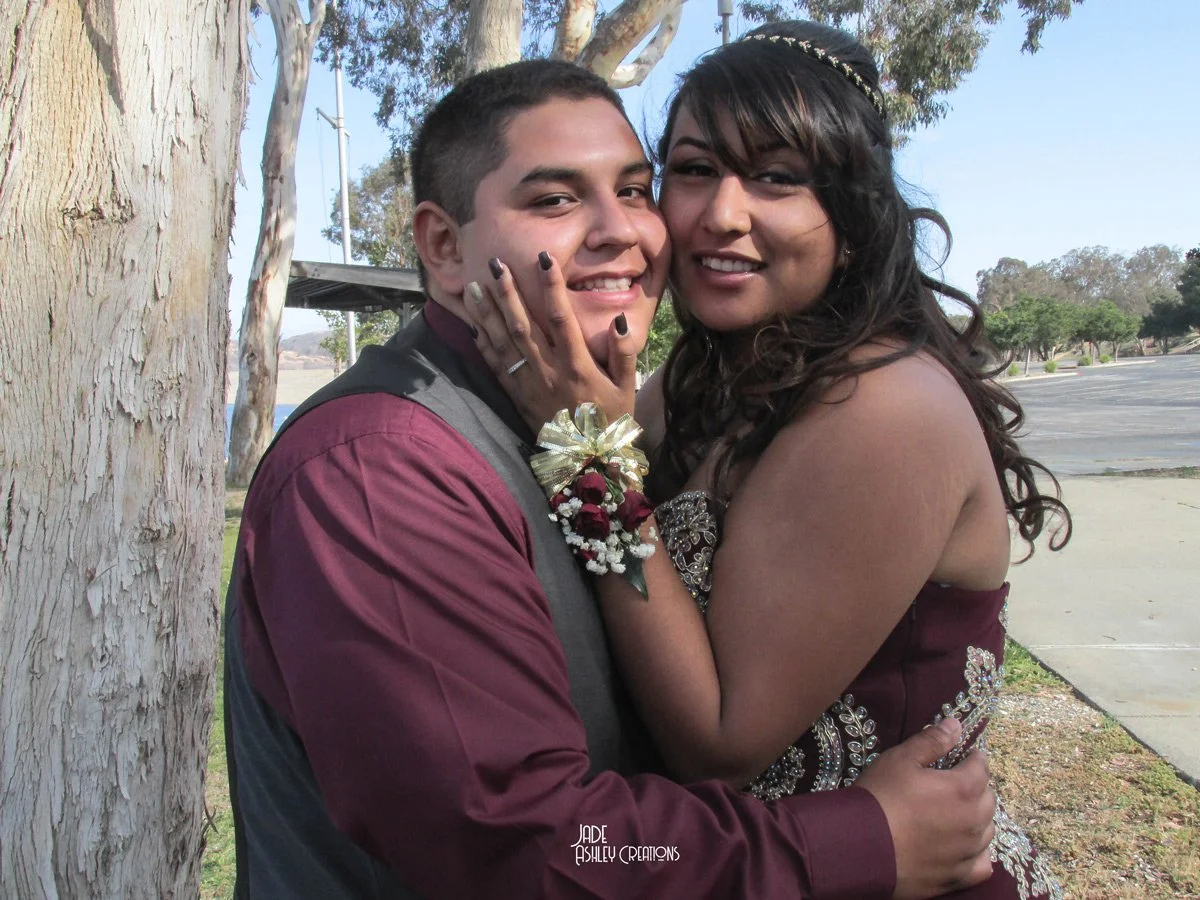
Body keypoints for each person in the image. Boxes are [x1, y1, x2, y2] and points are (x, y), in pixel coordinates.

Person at [223, 58, 1000, 899]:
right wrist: (852, 843)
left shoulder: (577, 410)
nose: (624, 230)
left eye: (635, 190)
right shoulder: (383, 471)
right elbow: (523, 844)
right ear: (445, 247)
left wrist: (587, 444)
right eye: (554, 200)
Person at [461, 23, 1074, 900]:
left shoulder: (884, 408)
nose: (722, 213)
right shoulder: (693, 377)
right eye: (695, 169)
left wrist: (588, 454)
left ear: (852, 219)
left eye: (778, 177)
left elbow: (718, 741)